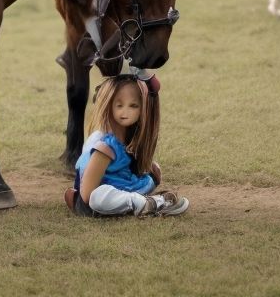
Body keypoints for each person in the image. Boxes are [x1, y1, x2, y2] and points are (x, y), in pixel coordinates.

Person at [67, 73, 189, 218]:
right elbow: (87, 195)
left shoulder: (132, 139)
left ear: (142, 109)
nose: (125, 112)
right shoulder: (105, 148)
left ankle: (140, 202)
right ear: (109, 105)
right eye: (119, 105)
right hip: (100, 198)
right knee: (98, 197)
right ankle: (148, 203)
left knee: (154, 170)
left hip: (126, 184)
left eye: (133, 106)